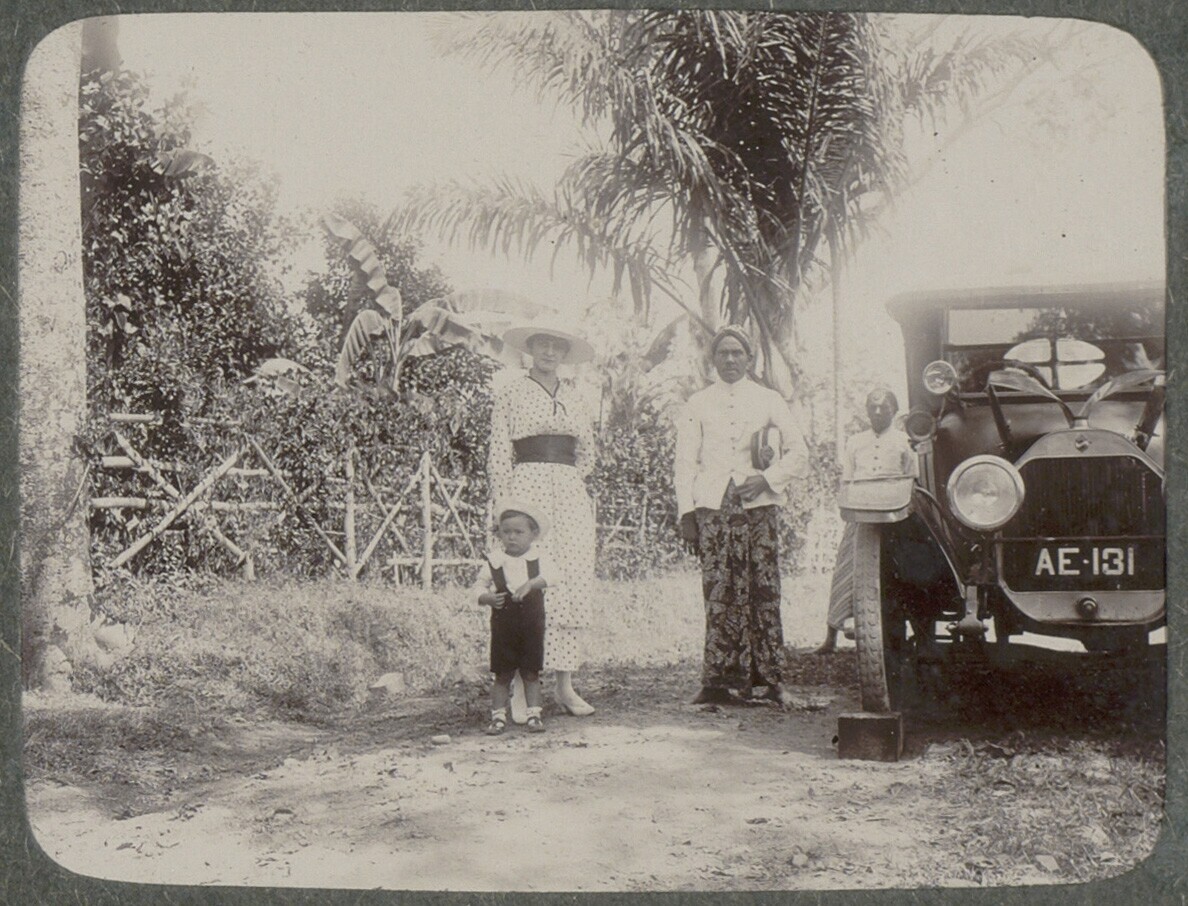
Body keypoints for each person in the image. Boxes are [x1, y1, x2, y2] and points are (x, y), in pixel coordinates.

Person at [674, 326, 808, 706]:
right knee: (719, 591)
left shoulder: (769, 399)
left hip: (758, 508)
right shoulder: (698, 403)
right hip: (713, 508)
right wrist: (687, 513)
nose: (730, 359)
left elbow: (799, 452)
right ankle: (716, 682)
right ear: (713, 358)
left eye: (737, 353)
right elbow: (684, 462)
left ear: (750, 358)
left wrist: (766, 479)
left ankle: (772, 681)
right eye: (723, 353)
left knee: (764, 589)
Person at [490, 316, 597, 717]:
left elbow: (587, 453)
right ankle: (521, 685)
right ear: (531, 348)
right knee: (525, 577)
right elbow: (499, 453)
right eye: (543, 344)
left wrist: (565, 480)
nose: (550, 352)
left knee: (568, 578)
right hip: (527, 488)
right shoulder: (511, 393)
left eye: (557, 346)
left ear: (565, 353)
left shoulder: (577, 396)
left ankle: (565, 686)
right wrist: (506, 504)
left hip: (569, 492)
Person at [818, 388, 917, 654]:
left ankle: (908, 636)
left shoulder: (905, 441)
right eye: (872, 407)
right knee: (846, 566)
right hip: (861, 513)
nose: (877, 412)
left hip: (894, 514)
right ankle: (831, 637)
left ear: (894, 411)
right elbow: (848, 479)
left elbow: (912, 478)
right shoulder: (855, 441)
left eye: (883, 407)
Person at [476, 503, 553, 734]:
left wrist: (531, 584)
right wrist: (486, 597)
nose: (512, 537)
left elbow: (554, 576)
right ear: (499, 533)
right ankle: (498, 717)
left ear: (532, 534)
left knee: (531, 671)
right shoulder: (495, 561)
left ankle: (534, 715)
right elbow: (478, 586)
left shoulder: (538, 558)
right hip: (504, 626)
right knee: (502, 673)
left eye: (519, 532)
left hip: (531, 625)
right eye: (506, 532)